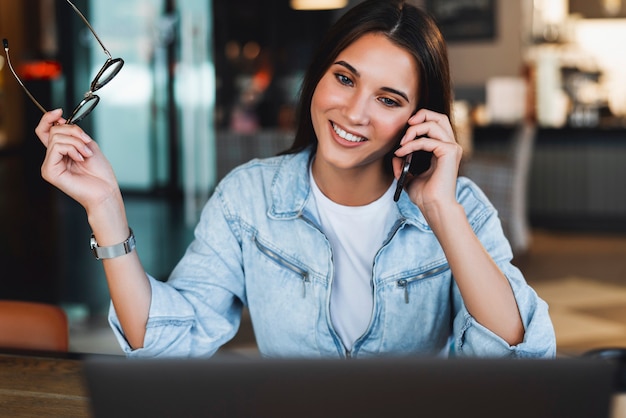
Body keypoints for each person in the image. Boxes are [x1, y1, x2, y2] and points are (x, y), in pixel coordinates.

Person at [34, 0, 555, 358]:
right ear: (319, 78)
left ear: (420, 120)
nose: (354, 112)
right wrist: (105, 209)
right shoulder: (248, 197)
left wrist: (441, 210)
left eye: (389, 99)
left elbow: (521, 362)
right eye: (345, 79)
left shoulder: (462, 206)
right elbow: (166, 342)